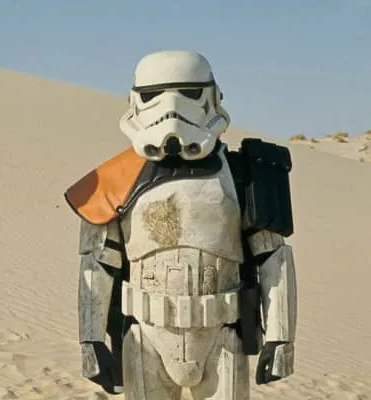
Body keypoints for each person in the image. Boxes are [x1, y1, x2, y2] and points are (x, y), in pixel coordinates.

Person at [63, 50, 297, 399]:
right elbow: (97, 264)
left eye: (187, 93)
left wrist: (281, 339)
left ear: (211, 97)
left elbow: (273, 259)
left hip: (222, 335)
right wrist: (91, 341)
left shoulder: (245, 174)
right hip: (145, 336)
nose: (170, 109)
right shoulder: (115, 181)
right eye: (154, 95)